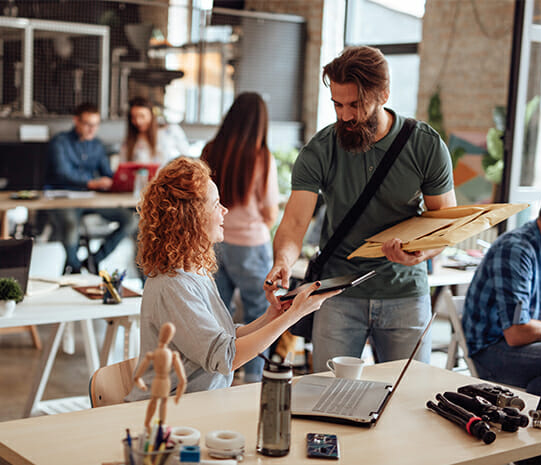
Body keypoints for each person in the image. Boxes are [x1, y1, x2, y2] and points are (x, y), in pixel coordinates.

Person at [264, 46, 456, 372]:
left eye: (356, 105)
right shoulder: (320, 150)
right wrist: (282, 261)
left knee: (407, 397)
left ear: (383, 94)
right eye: (337, 104)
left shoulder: (425, 145)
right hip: (337, 294)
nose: (344, 116)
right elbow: (295, 222)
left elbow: (446, 223)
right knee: (328, 396)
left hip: (405, 293)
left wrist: (421, 253)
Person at [125, 157, 339, 398]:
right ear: (192, 217)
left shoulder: (193, 270)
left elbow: (225, 336)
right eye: (216, 204)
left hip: (198, 405)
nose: (224, 210)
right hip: (170, 415)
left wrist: (273, 316)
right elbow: (225, 357)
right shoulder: (174, 285)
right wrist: (294, 315)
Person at [200, 92, 280, 383]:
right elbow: (270, 210)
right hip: (250, 244)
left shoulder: (210, 150)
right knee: (260, 314)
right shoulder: (260, 156)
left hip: (214, 242)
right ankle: (254, 379)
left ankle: (219, 377)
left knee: (217, 313)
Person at [462, 187, 541, 396]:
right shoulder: (517, 250)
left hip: (522, 345)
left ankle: (535, 406)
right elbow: (516, 332)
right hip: (491, 350)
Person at [47, 102, 135, 274]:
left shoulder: (97, 145)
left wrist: (119, 180)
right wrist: (91, 183)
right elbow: (62, 172)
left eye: (95, 125)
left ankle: (94, 260)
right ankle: (76, 268)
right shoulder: (60, 142)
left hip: (90, 199)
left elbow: (107, 173)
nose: (91, 129)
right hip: (62, 198)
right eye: (87, 124)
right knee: (71, 227)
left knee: (130, 220)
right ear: (76, 121)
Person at [134, 322, 187, 432]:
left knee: (155, 401)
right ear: (171, 337)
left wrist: (139, 381)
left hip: (159, 381)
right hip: (163, 381)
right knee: (162, 402)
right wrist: (179, 393)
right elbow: (182, 379)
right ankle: (155, 424)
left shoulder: (155, 354)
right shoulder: (172, 355)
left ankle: (150, 423)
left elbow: (138, 374)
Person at [119, 96, 190, 164]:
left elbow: (187, 157)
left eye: (142, 116)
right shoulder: (129, 142)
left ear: (152, 115)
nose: (138, 121)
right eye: (134, 117)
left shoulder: (171, 130)